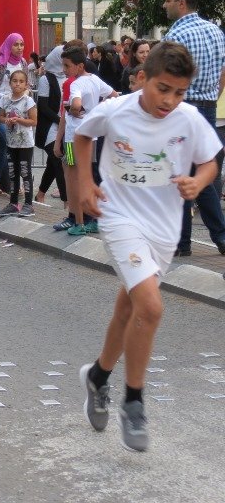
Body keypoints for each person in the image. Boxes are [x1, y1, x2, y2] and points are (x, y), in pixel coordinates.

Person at [75, 42, 222, 452]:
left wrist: (200, 181)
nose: (170, 100)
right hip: (120, 219)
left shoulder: (188, 118)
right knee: (151, 308)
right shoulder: (116, 110)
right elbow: (82, 136)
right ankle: (134, 402)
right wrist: (85, 185)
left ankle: (97, 377)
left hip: (164, 230)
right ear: (142, 78)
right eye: (163, 88)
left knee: (131, 307)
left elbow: (211, 159)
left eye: (179, 92)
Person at [162, 0, 225, 256]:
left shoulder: (175, 35)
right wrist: (212, 95)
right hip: (209, 106)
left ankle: (186, 241)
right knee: (198, 171)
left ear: (181, 3)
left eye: (167, 0)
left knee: (182, 173)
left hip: (183, 107)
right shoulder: (215, 31)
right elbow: (223, 73)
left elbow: (168, 77)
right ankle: (212, 237)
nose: (165, 5)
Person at [54, 47, 117, 236]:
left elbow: (75, 104)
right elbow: (113, 94)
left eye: (67, 66)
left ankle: (79, 222)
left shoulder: (75, 84)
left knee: (74, 179)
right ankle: (95, 220)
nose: (64, 70)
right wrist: (96, 111)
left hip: (74, 138)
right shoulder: (95, 80)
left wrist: (75, 109)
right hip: (93, 137)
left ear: (79, 66)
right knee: (88, 177)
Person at [0, 32, 27, 195]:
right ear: (9, 45)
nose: (19, 47)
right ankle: (14, 183)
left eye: (21, 44)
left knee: (5, 146)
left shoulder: (23, 62)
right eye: (16, 44)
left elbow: (26, 84)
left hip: (17, 109)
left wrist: (25, 93)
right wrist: (6, 96)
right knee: (9, 139)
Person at [0, 70, 37, 217]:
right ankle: (13, 203)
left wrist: (18, 120)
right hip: (11, 142)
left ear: (26, 84)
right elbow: (0, 117)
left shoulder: (28, 101)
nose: (17, 84)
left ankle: (28, 204)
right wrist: (5, 119)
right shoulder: (5, 99)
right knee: (13, 173)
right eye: (14, 81)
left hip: (25, 143)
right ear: (10, 82)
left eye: (21, 81)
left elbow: (33, 121)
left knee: (25, 173)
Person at [34, 45, 67, 208]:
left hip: (67, 129)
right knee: (59, 161)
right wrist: (60, 120)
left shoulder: (70, 78)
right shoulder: (45, 79)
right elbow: (43, 107)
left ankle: (40, 194)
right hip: (50, 129)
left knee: (54, 164)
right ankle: (67, 203)